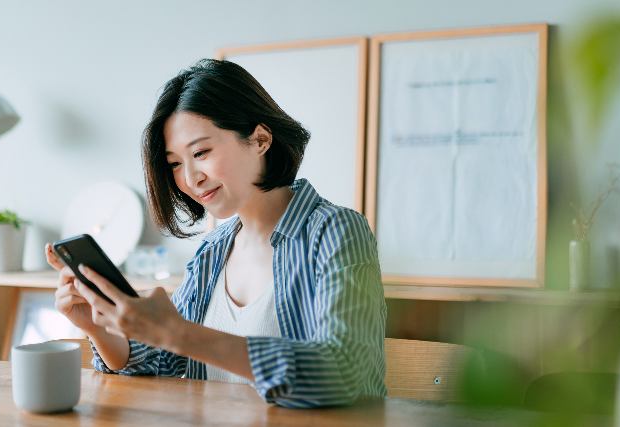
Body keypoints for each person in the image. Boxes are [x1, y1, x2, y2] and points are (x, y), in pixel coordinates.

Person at [45, 59, 387, 408]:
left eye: (201, 152)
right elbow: (158, 359)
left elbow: (343, 372)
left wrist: (179, 334)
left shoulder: (336, 231)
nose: (191, 178)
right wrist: (98, 328)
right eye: (176, 163)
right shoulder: (212, 251)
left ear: (260, 139)